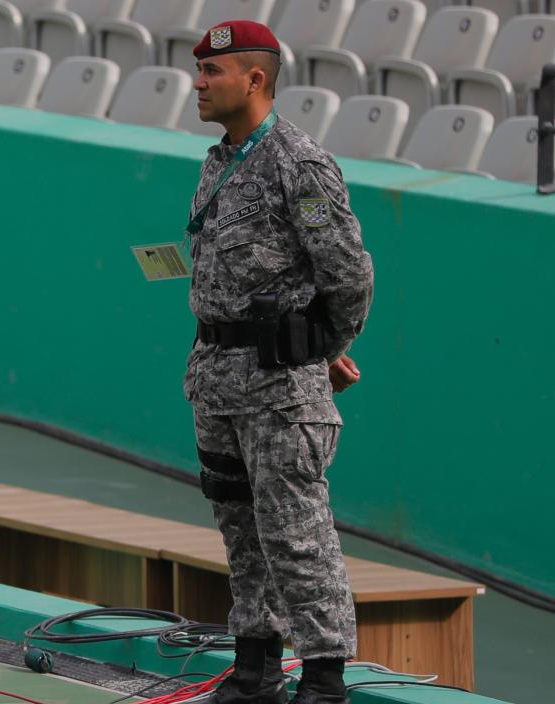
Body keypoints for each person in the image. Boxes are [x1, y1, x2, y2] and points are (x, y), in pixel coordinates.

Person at [182, 20, 374, 704]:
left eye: (212, 72)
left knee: (296, 534)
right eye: (199, 71)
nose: (198, 83)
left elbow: (348, 275)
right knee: (241, 532)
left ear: (255, 79)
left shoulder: (299, 164)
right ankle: (255, 667)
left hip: (278, 389)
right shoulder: (219, 159)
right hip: (217, 379)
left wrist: (322, 350)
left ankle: (323, 678)